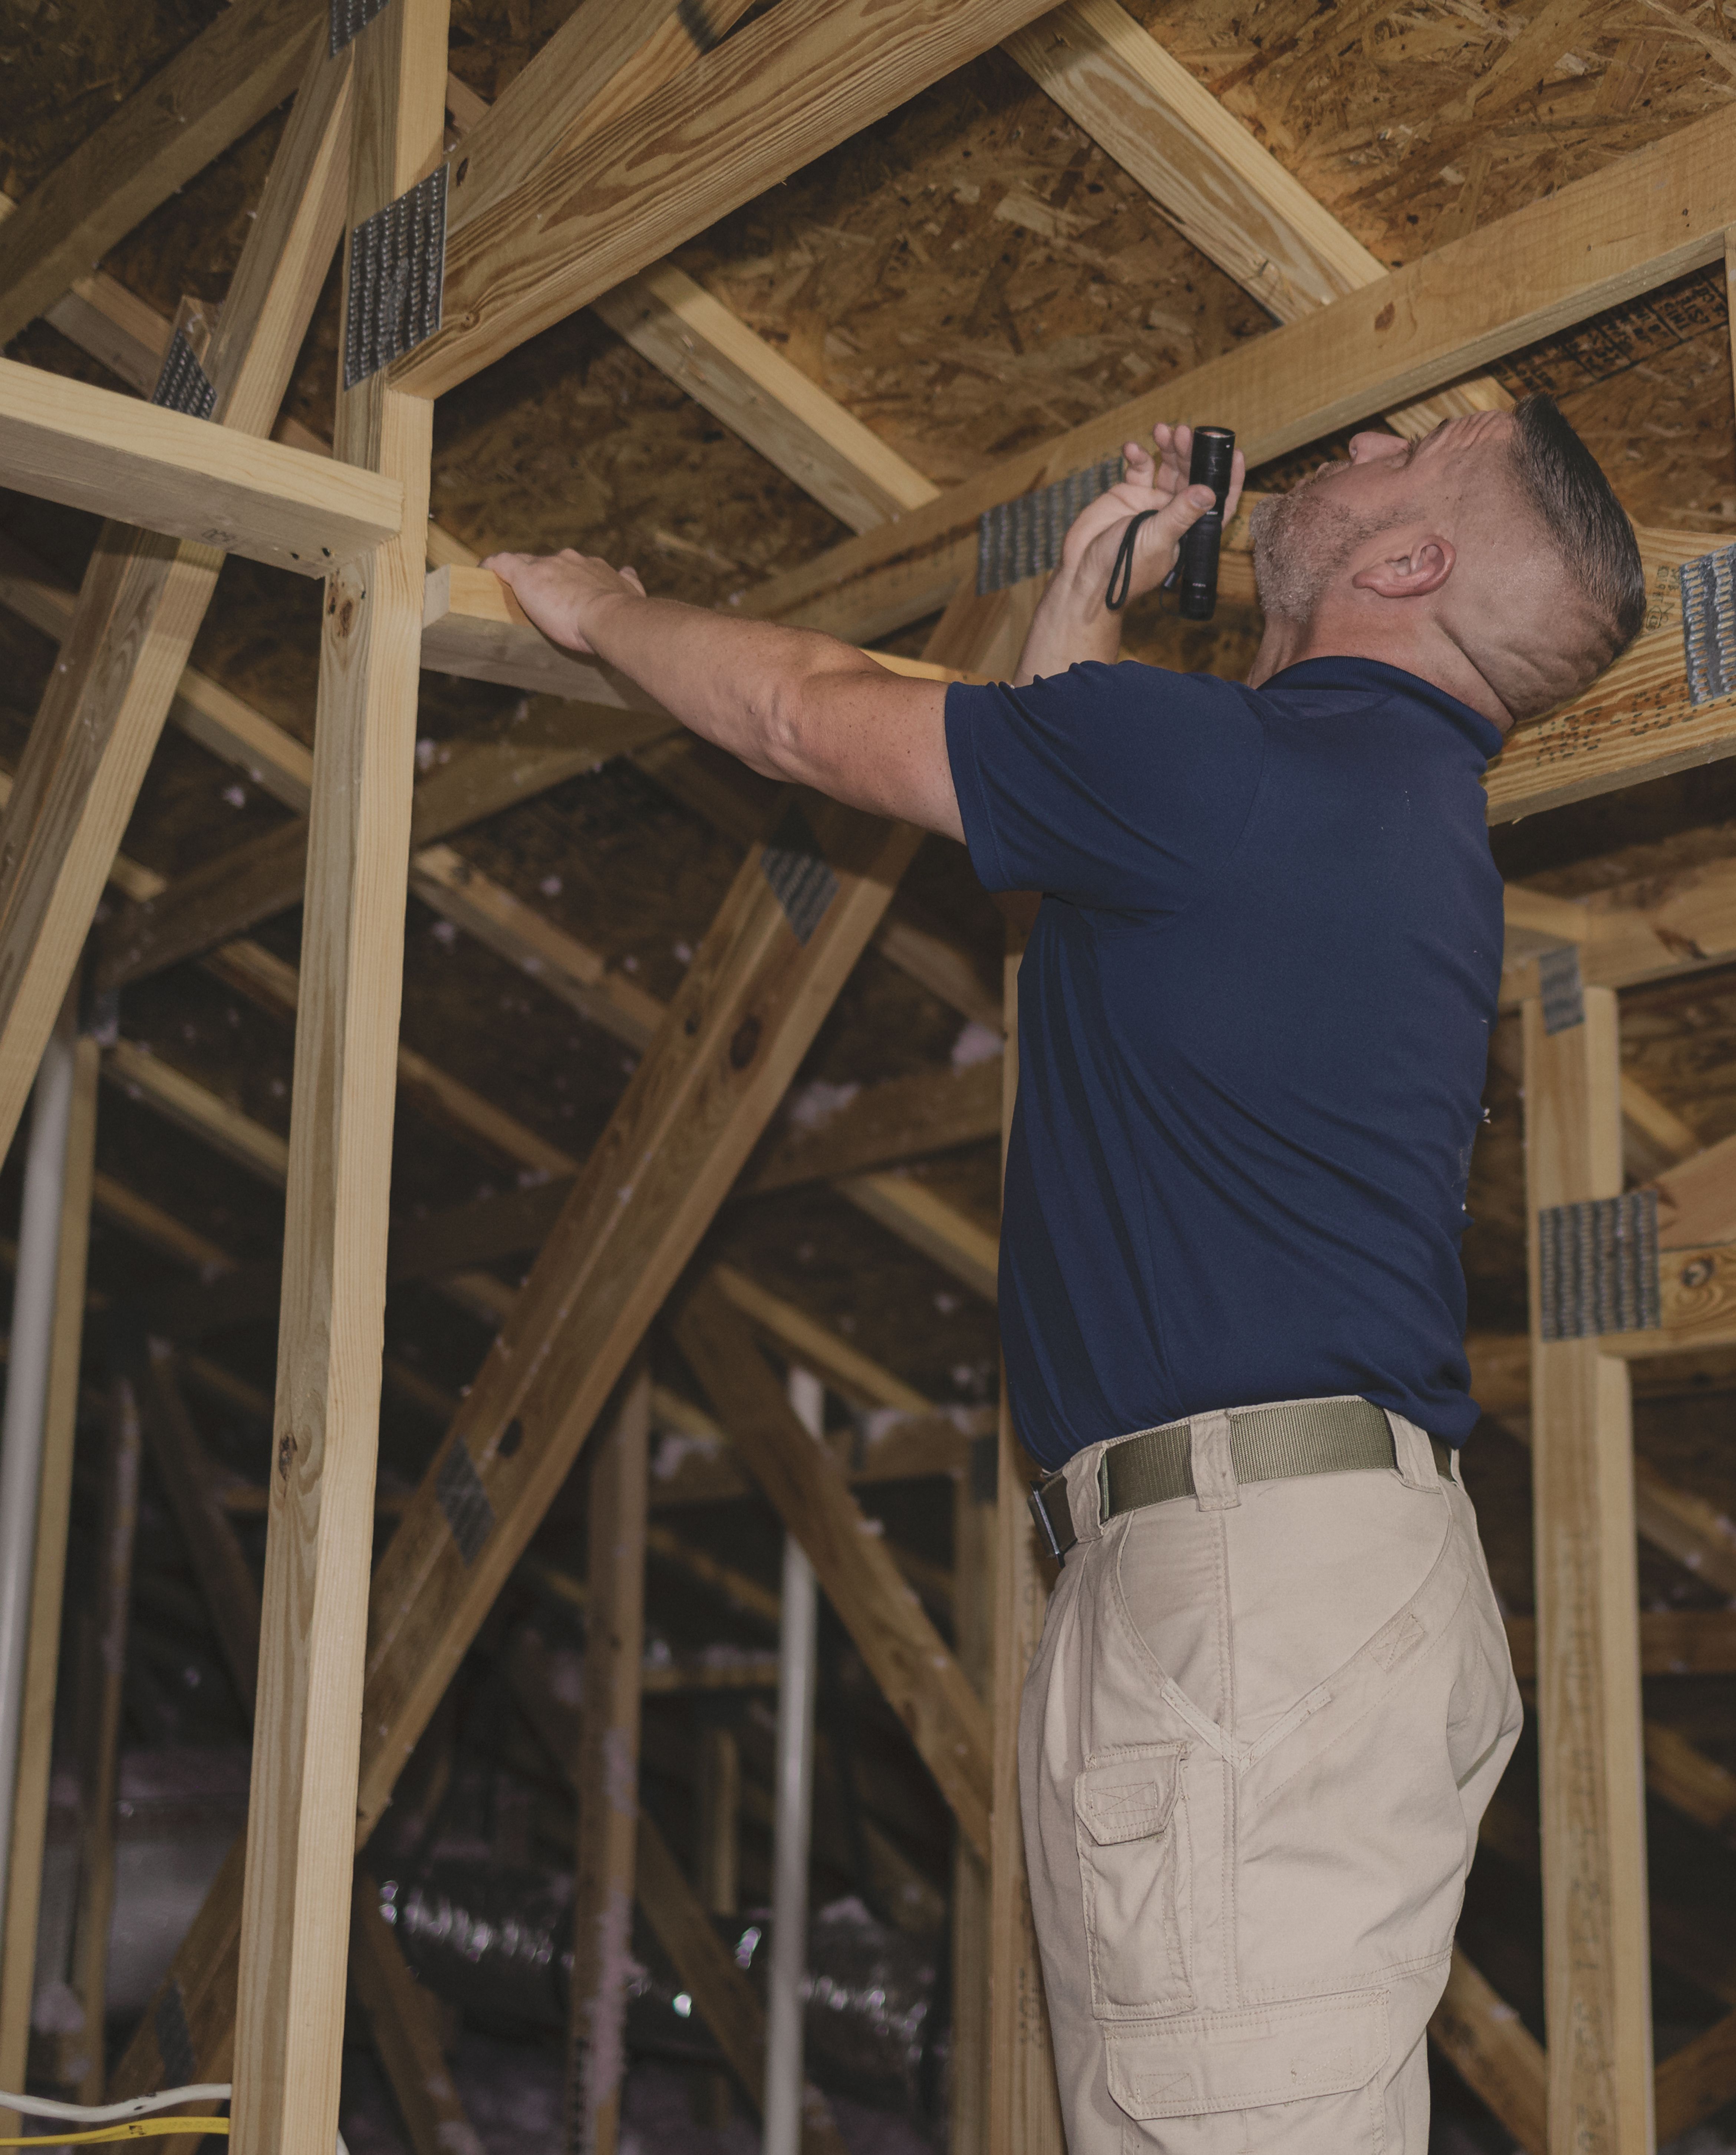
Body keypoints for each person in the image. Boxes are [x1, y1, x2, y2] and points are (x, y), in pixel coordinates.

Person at [486, 392, 1644, 2153]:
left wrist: (591, 606)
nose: (1340, 454)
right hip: (1275, 1588)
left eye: (1392, 452)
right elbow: (1063, 786)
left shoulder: (1238, 781)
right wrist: (1089, 589)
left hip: (1251, 1609)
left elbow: (808, 716)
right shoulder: (1343, 804)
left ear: (1411, 561)